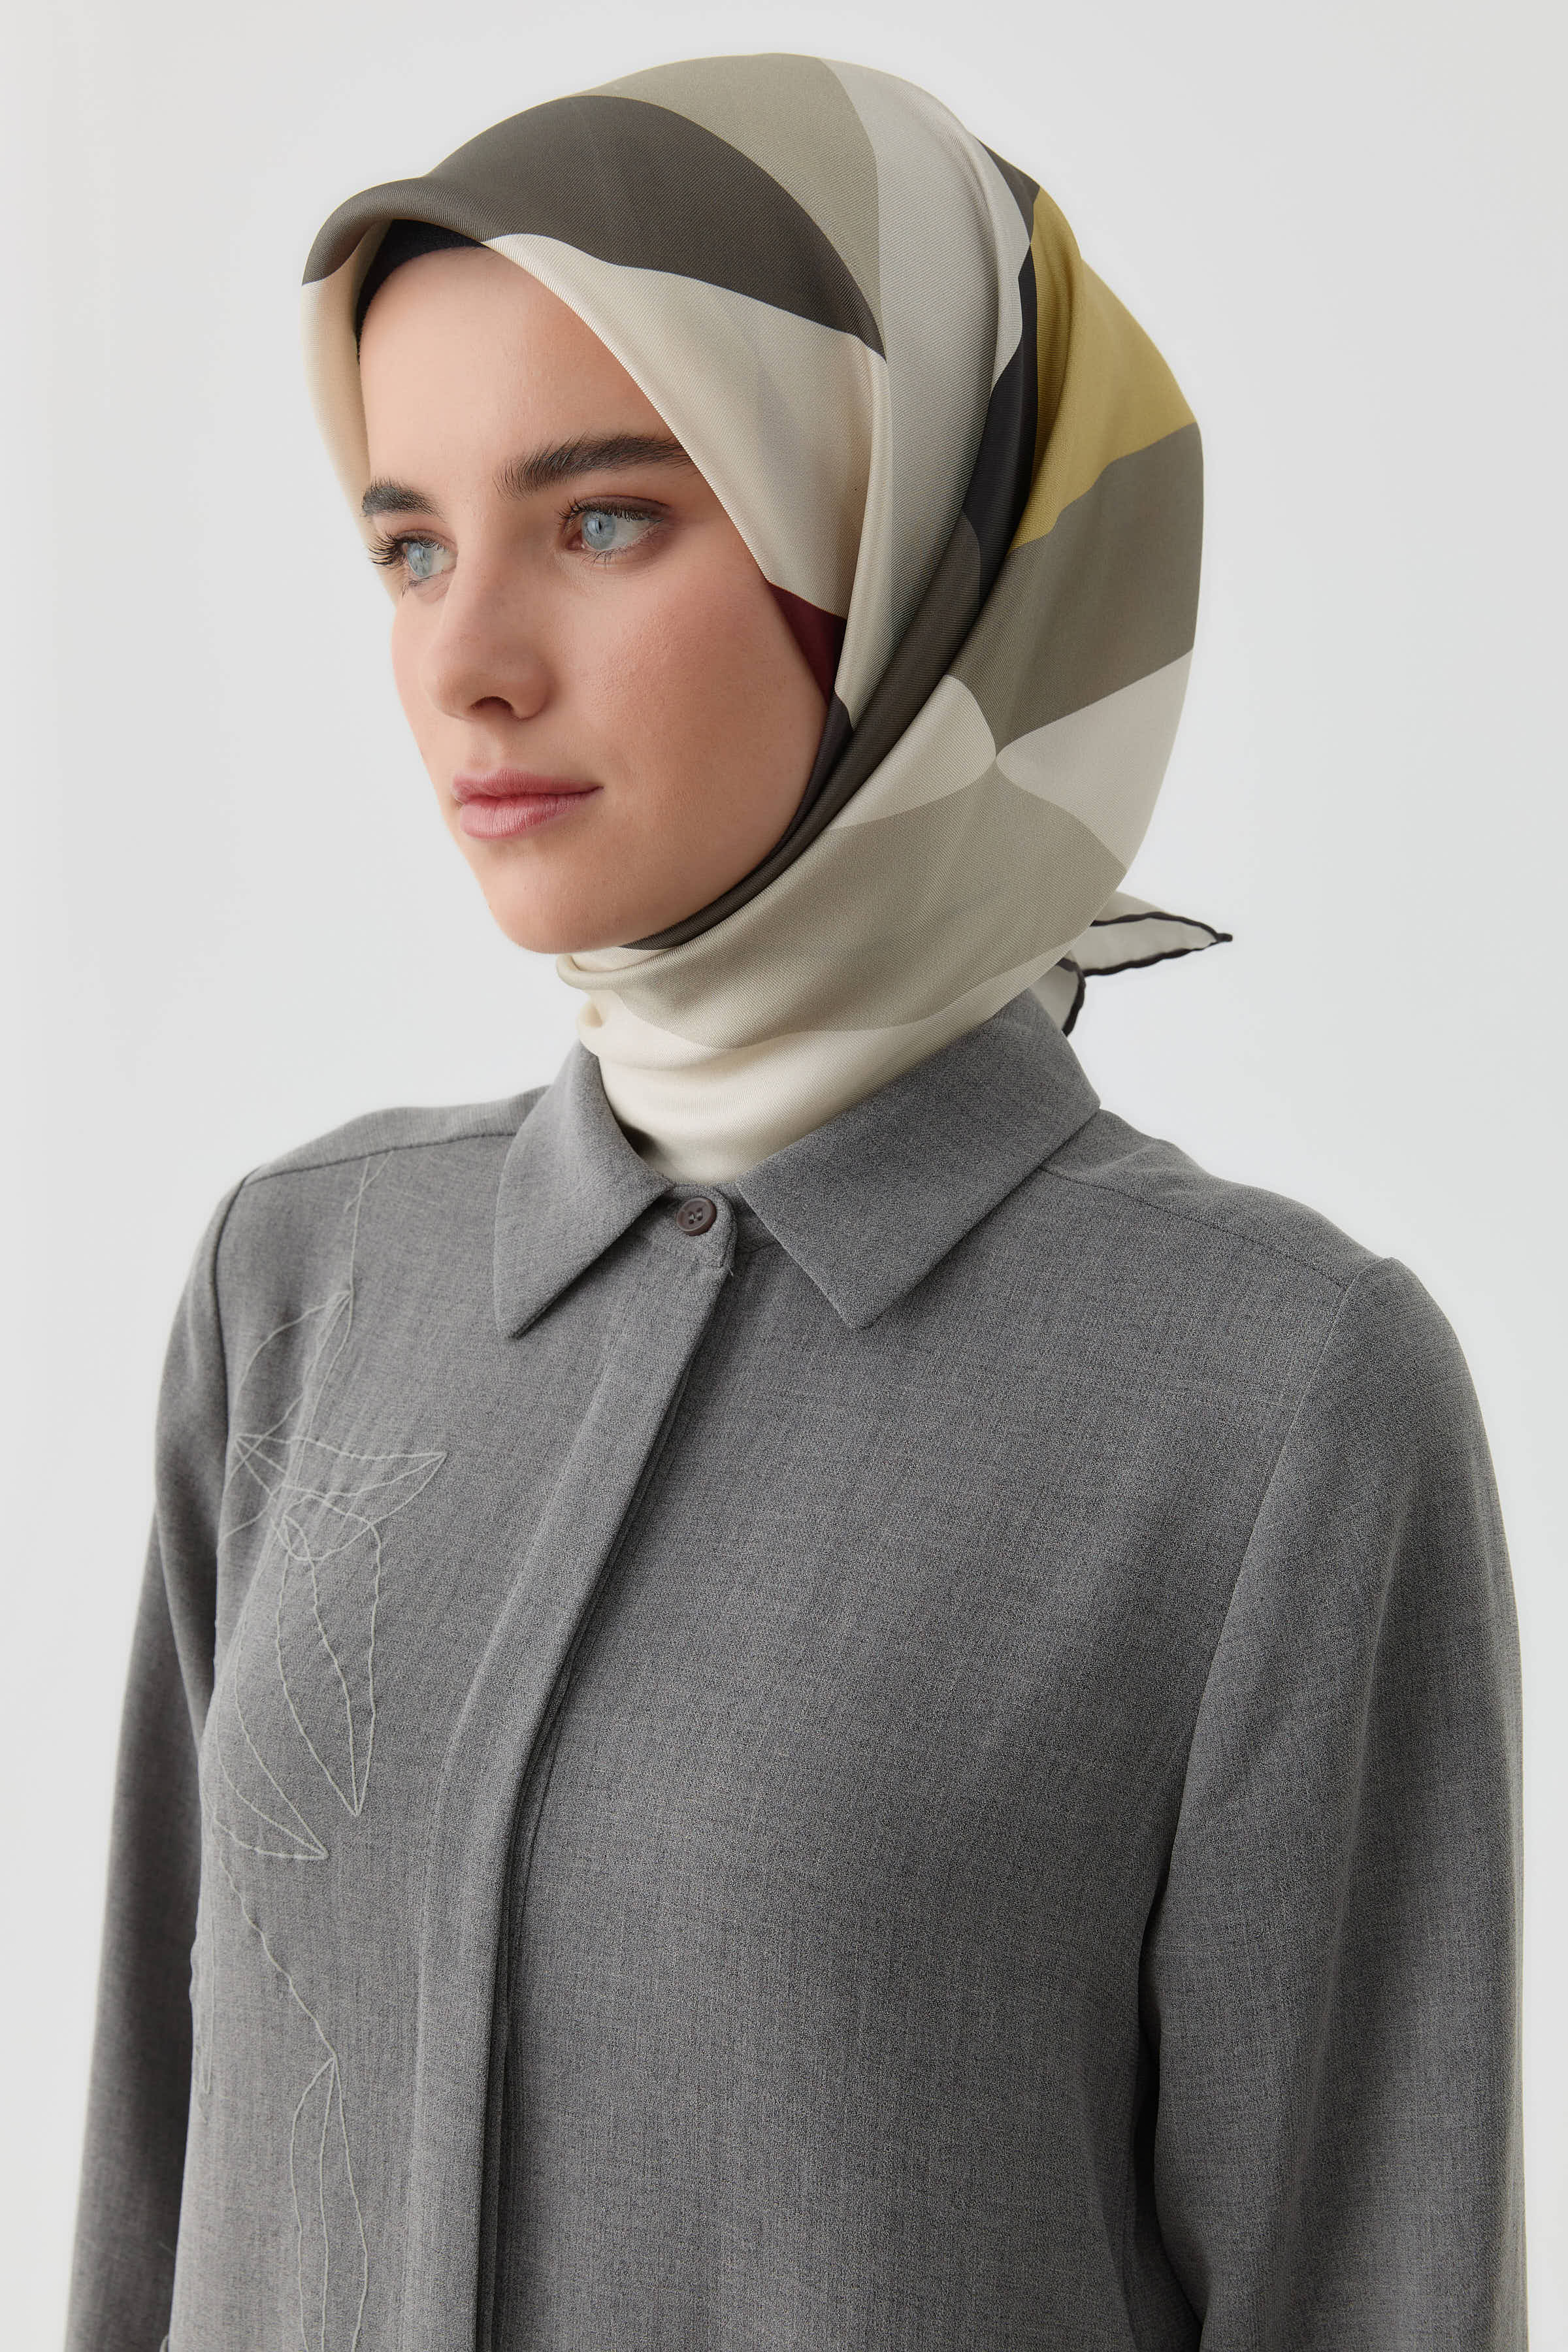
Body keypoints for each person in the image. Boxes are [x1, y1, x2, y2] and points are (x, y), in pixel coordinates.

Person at [65, 52, 1526, 2352]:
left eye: (604, 519)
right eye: (409, 544)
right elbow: (151, 2200)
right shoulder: (303, 1283)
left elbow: (1373, 2285)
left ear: (903, 549)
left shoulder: (1275, 1402)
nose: (468, 663)